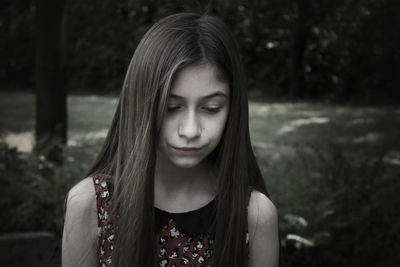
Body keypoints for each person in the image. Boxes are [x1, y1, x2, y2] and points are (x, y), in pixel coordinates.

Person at [62, 12, 279, 267]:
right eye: (171, 107)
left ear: (233, 108)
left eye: (211, 108)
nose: (189, 130)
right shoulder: (90, 205)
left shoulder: (255, 215)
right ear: (141, 105)